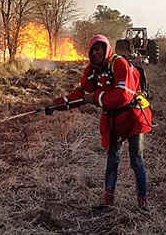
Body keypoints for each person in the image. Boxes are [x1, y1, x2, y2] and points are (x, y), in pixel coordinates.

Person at [46, 34, 153, 210]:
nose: (95, 53)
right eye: (92, 50)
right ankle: (108, 202)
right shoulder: (92, 70)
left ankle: (143, 204)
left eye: (98, 49)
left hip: (132, 118)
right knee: (113, 160)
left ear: (106, 48)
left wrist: (94, 97)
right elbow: (80, 95)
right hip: (113, 121)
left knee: (136, 161)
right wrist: (57, 104)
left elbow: (122, 96)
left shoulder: (119, 64)